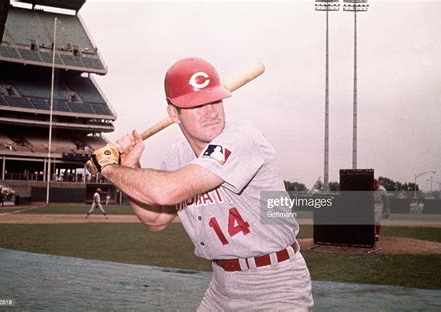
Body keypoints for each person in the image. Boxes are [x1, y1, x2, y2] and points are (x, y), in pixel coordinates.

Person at [91, 57, 313, 310]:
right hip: (222, 285)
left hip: (275, 283)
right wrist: (129, 167)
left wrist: (108, 168)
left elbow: (167, 191)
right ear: (174, 113)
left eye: (215, 100)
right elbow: (155, 220)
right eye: (197, 104)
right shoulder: (176, 155)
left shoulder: (241, 139)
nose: (210, 112)